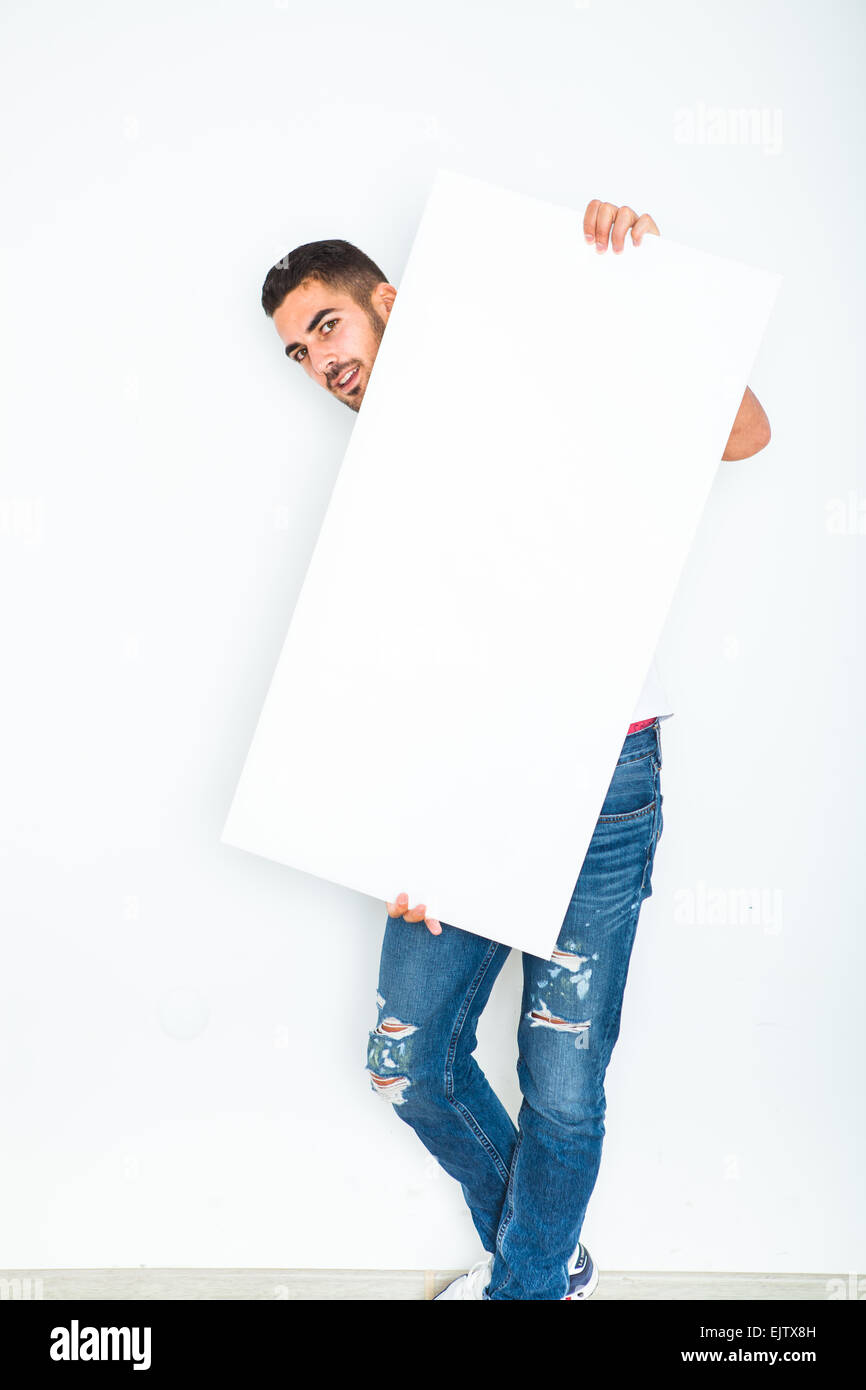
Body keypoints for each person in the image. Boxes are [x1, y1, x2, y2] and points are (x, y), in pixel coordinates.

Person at [260, 199, 771, 1300]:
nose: (317, 362)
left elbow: (741, 429)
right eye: (298, 351)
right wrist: (388, 836)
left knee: (562, 1084)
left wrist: (634, 280)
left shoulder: (544, 368)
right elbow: (395, 676)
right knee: (408, 1062)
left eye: (327, 328)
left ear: (386, 303)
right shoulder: (377, 488)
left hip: (600, 775)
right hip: (459, 793)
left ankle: (526, 1291)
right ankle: (547, 1260)